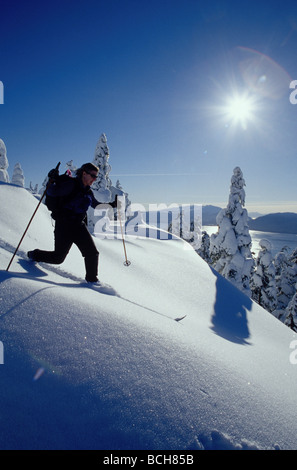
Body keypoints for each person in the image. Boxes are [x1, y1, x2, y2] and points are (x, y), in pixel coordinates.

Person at [27, 163, 118, 284]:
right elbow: (50, 192)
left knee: (92, 253)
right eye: (93, 176)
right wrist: (52, 180)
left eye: (96, 177)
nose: (94, 179)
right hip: (64, 226)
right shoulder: (70, 185)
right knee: (58, 258)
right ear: (84, 173)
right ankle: (34, 254)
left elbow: (96, 205)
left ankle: (92, 281)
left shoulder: (88, 191)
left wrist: (112, 205)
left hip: (79, 226)